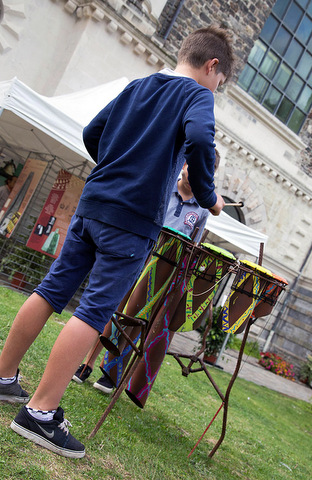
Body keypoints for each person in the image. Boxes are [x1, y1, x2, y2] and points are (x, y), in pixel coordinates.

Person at [0, 26, 233, 459]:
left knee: (52, 289)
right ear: (211, 66)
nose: (216, 90)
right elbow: (201, 139)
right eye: (219, 83)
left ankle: (2, 376)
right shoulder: (197, 97)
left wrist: (115, 164)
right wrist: (208, 196)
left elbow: (93, 131)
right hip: (131, 220)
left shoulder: (139, 85)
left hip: (95, 202)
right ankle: (41, 412)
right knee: (94, 310)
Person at [73, 151, 221, 392]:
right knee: (113, 307)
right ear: (184, 164)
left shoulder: (203, 210)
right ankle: (87, 363)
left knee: (136, 318)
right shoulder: (163, 186)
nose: (196, 174)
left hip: (162, 272)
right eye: (194, 166)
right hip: (137, 256)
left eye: (205, 171)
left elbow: (193, 245)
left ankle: (111, 373)